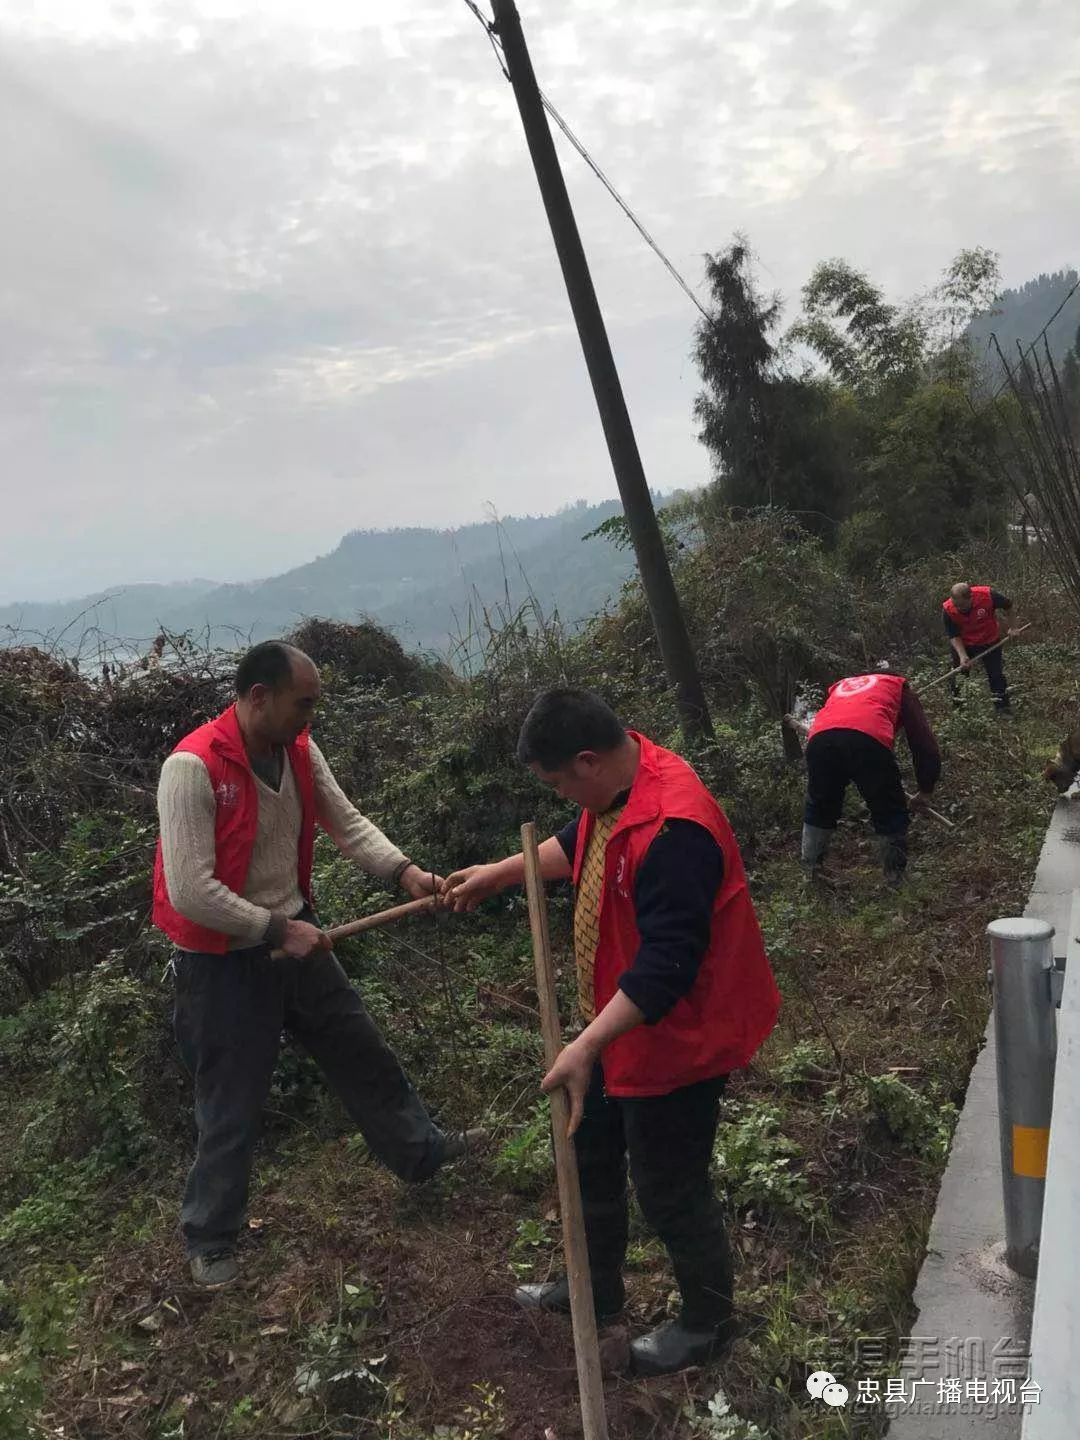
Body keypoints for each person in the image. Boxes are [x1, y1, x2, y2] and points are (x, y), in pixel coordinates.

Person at [442, 688, 779, 1377]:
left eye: (559, 782)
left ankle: (708, 1322)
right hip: (619, 1023)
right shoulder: (619, 789)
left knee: (669, 1184)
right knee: (588, 1148)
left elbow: (667, 967)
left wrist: (586, 1043)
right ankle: (592, 1289)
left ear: (588, 761)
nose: (562, 796)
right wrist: (501, 874)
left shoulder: (677, 828)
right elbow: (581, 842)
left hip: (679, 1035)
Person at [154, 641, 484, 1290]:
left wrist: (405, 872)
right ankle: (211, 1238)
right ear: (259, 698)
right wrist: (275, 928)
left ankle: (421, 1153)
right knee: (232, 1101)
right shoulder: (191, 768)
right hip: (222, 961)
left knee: (359, 1049)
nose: (311, 715)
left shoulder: (299, 751)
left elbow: (346, 821)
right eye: (303, 702)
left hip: (294, 935)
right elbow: (190, 889)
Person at [801, 669, 941, 884]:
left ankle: (811, 871)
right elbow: (923, 742)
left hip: (819, 739)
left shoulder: (842, 686)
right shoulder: (900, 688)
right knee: (888, 806)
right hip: (867, 739)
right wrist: (925, 789)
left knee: (820, 804)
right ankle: (896, 877)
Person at [942, 582, 1013, 710]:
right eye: (956, 605)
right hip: (965, 643)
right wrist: (963, 656)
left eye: (962, 605)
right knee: (958, 676)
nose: (959, 608)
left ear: (971, 598)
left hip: (989, 639)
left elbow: (1008, 606)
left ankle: (1003, 708)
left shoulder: (988, 595)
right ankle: (960, 711)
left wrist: (1013, 627)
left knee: (996, 675)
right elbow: (953, 635)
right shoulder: (948, 609)